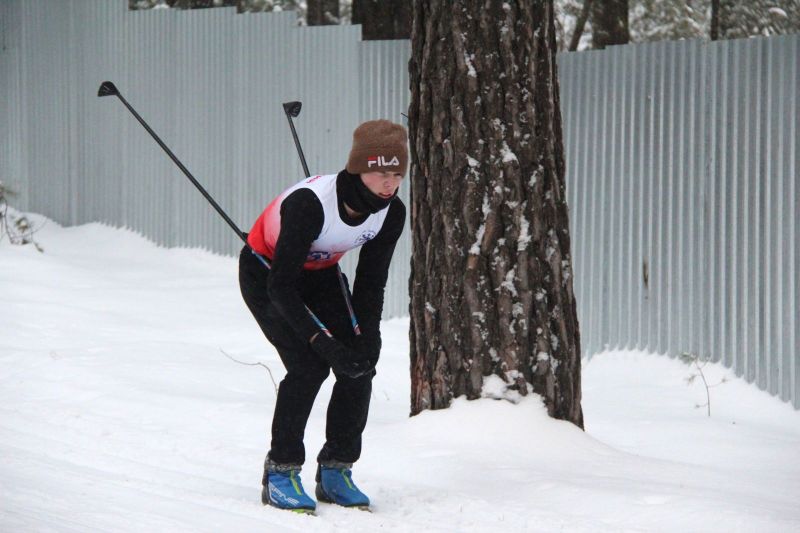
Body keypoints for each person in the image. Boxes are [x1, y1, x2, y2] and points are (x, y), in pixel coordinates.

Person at [238, 119, 407, 513]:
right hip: (267, 273)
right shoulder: (309, 205)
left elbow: (371, 283)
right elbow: (281, 287)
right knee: (309, 366)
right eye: (382, 174)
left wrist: (369, 339)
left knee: (360, 366)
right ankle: (280, 472)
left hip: (321, 273)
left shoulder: (390, 212)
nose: (390, 184)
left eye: (398, 174)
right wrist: (324, 344)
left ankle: (336, 469)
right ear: (358, 169)